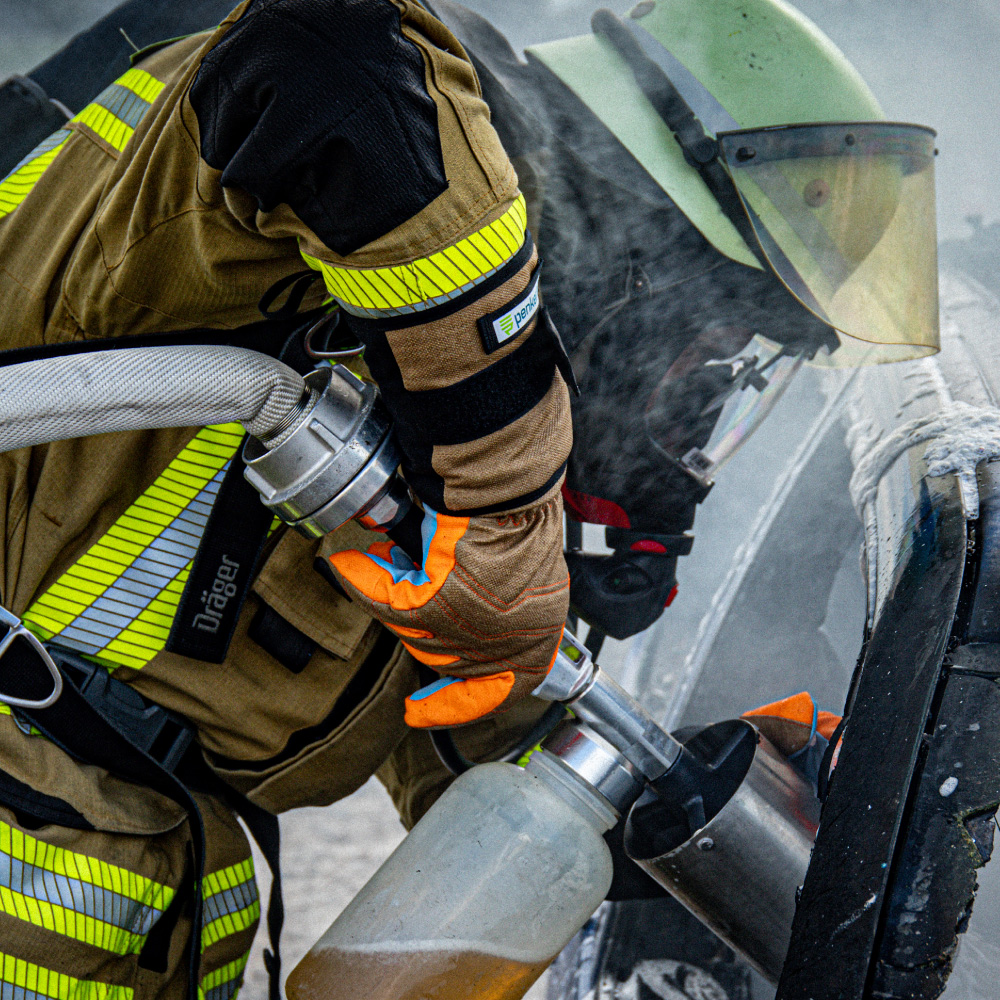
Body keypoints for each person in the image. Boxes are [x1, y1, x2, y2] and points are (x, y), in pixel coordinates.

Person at [0, 0, 938, 997]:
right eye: (706, 366)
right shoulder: (404, 148)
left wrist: (712, 804)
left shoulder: (411, 375)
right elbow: (327, 62)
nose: (692, 425)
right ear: (642, 275)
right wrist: (506, 499)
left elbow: (470, 729)